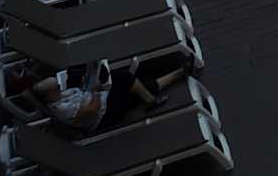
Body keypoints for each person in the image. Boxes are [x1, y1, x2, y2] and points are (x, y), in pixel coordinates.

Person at [27, 53, 193, 137]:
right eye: (56, 87)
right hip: (104, 116)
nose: (59, 87)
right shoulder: (62, 109)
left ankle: (180, 72)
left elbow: (83, 94)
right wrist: (95, 91)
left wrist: (90, 83)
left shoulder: (60, 96)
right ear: (49, 94)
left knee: (138, 86)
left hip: (103, 101)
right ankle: (151, 100)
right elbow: (92, 110)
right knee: (124, 77)